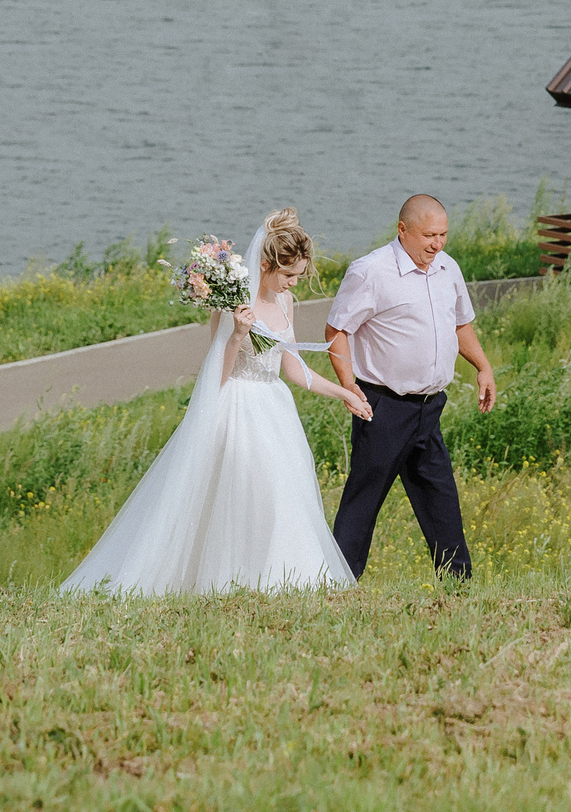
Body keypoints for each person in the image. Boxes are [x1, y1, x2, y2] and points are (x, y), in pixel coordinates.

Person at [60, 209, 370, 596]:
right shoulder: (232, 304)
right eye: (288, 275)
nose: (293, 283)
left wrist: (344, 392)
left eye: (298, 276)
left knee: (284, 496)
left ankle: (285, 582)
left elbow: (292, 368)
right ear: (265, 265)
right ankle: (230, 582)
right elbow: (216, 375)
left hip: (274, 409)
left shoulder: (286, 302)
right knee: (251, 494)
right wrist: (238, 334)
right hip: (238, 408)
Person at [323, 193, 497, 580]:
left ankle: (458, 585)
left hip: (430, 407)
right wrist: (348, 386)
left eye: (443, 235)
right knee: (364, 500)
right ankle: (338, 585)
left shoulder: (447, 268)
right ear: (402, 230)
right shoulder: (370, 271)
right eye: (429, 235)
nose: (437, 244)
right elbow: (336, 330)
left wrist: (483, 366)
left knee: (441, 497)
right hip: (382, 407)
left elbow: (460, 324)